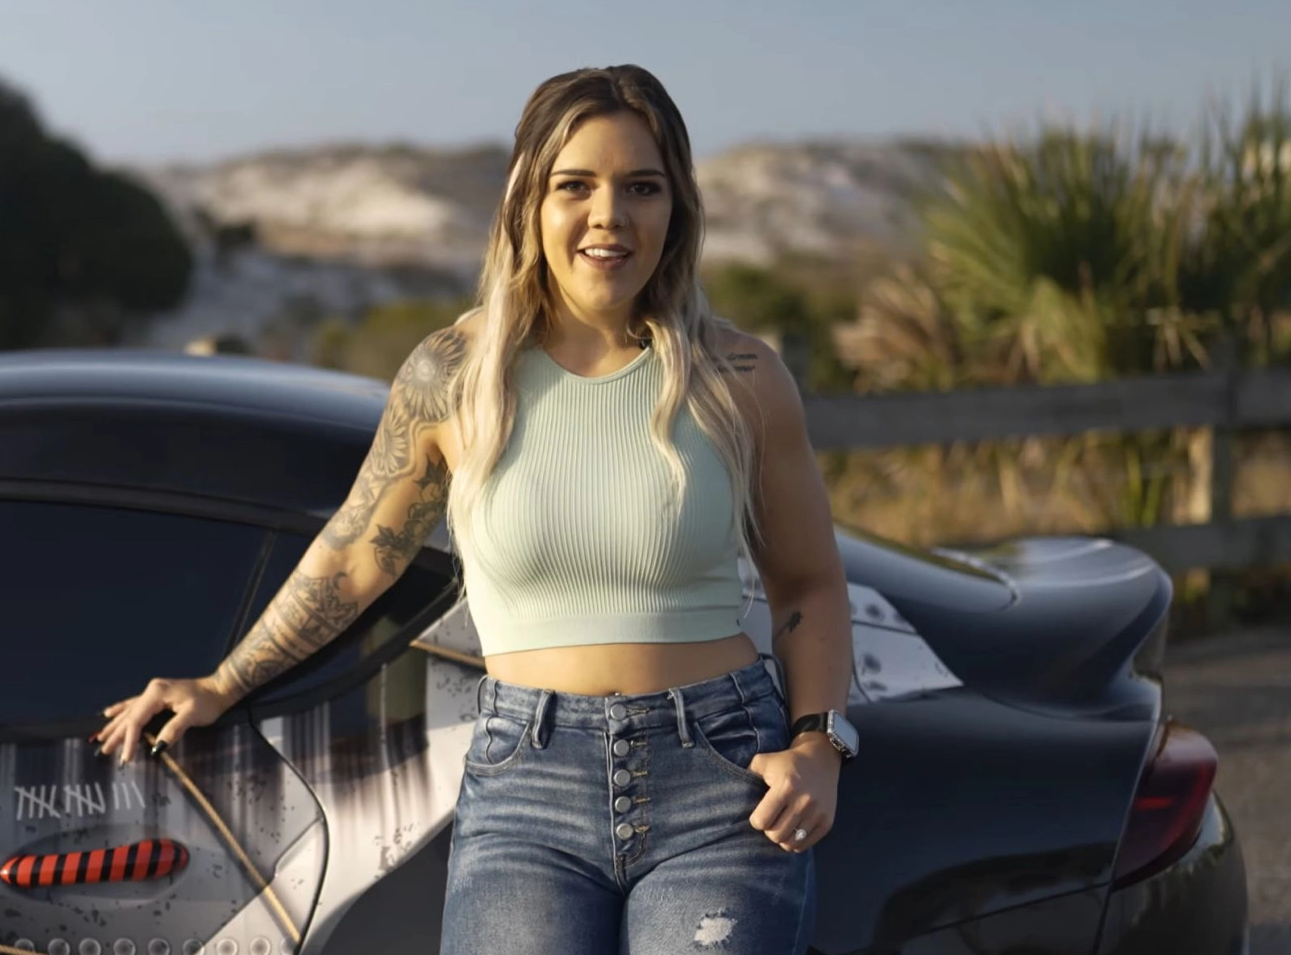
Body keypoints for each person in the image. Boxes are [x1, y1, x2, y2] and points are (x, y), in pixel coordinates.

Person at [93, 64, 852, 955]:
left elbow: (808, 584)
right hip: (528, 780)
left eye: (642, 187)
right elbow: (356, 554)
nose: (610, 216)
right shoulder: (454, 373)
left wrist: (818, 746)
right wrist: (224, 682)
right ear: (529, 200)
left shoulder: (741, 377)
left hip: (723, 773)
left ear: (676, 208)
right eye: (576, 186)